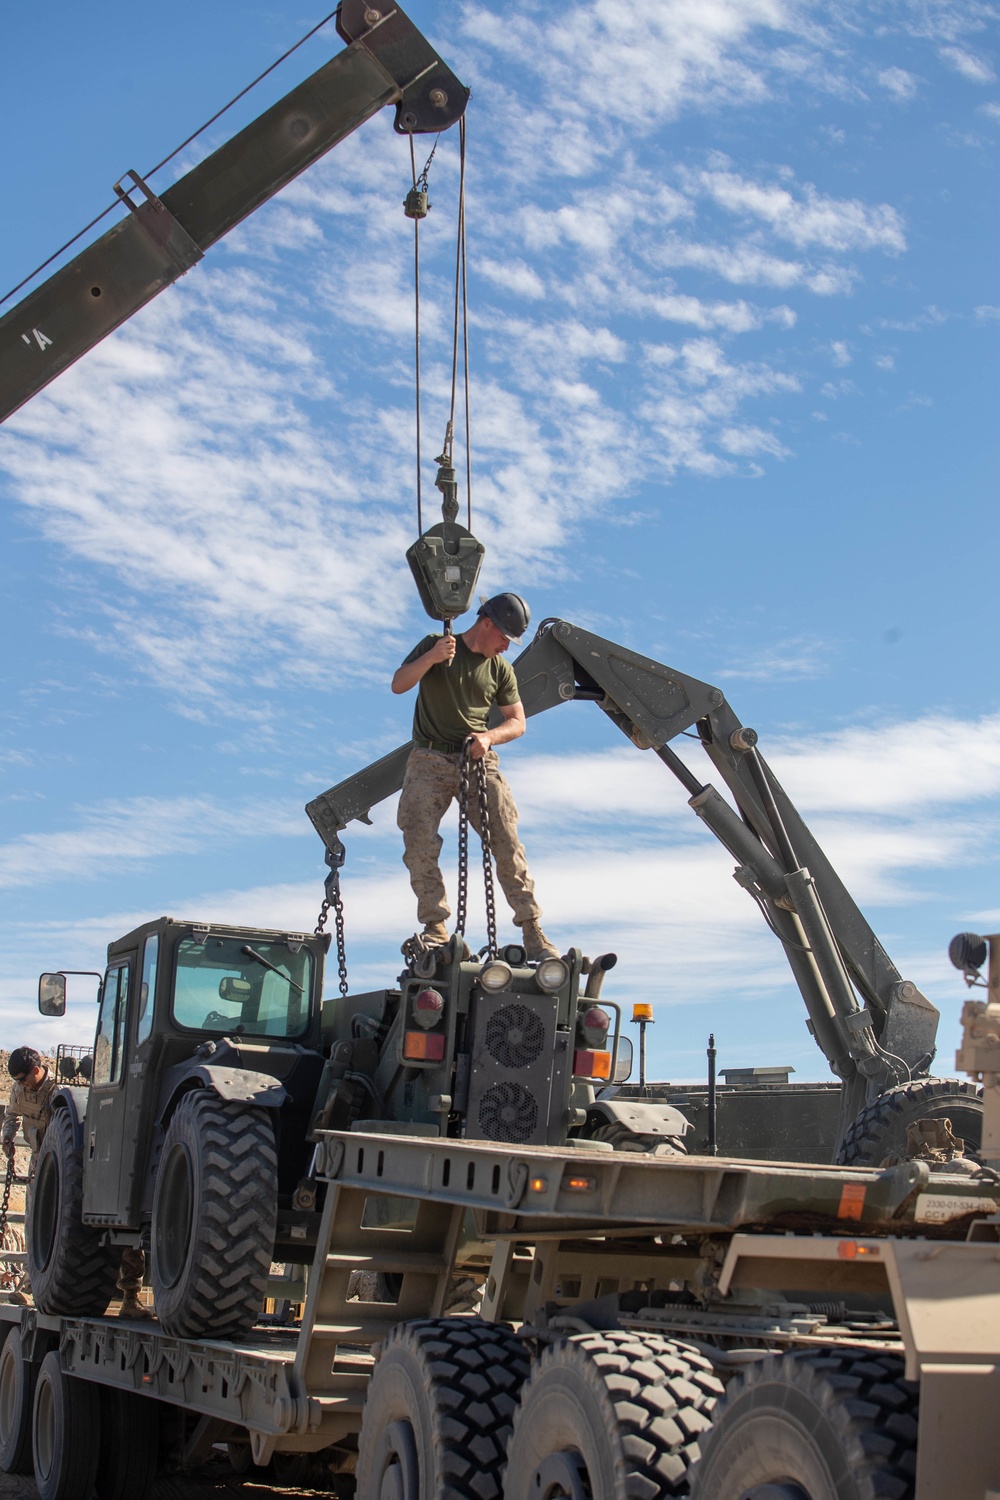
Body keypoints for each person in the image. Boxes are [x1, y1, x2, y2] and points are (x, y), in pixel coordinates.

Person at [392, 592, 559, 963]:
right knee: (419, 840)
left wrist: (488, 737)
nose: (505, 647)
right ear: (487, 624)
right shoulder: (436, 646)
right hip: (428, 758)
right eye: (504, 638)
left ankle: (533, 930)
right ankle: (435, 926)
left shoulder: (500, 670)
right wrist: (432, 658)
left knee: (507, 840)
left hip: (476, 759)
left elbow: (517, 722)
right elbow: (399, 684)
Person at [2, 1047, 152, 1319]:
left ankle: (130, 1295)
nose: (20, 1084)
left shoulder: (61, 1094)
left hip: (68, 1168)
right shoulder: (19, 1090)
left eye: (23, 1078)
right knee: (36, 1227)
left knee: (84, 1230)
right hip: (41, 1163)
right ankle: (31, 1286)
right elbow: (11, 1114)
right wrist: (8, 1136)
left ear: (36, 1071)